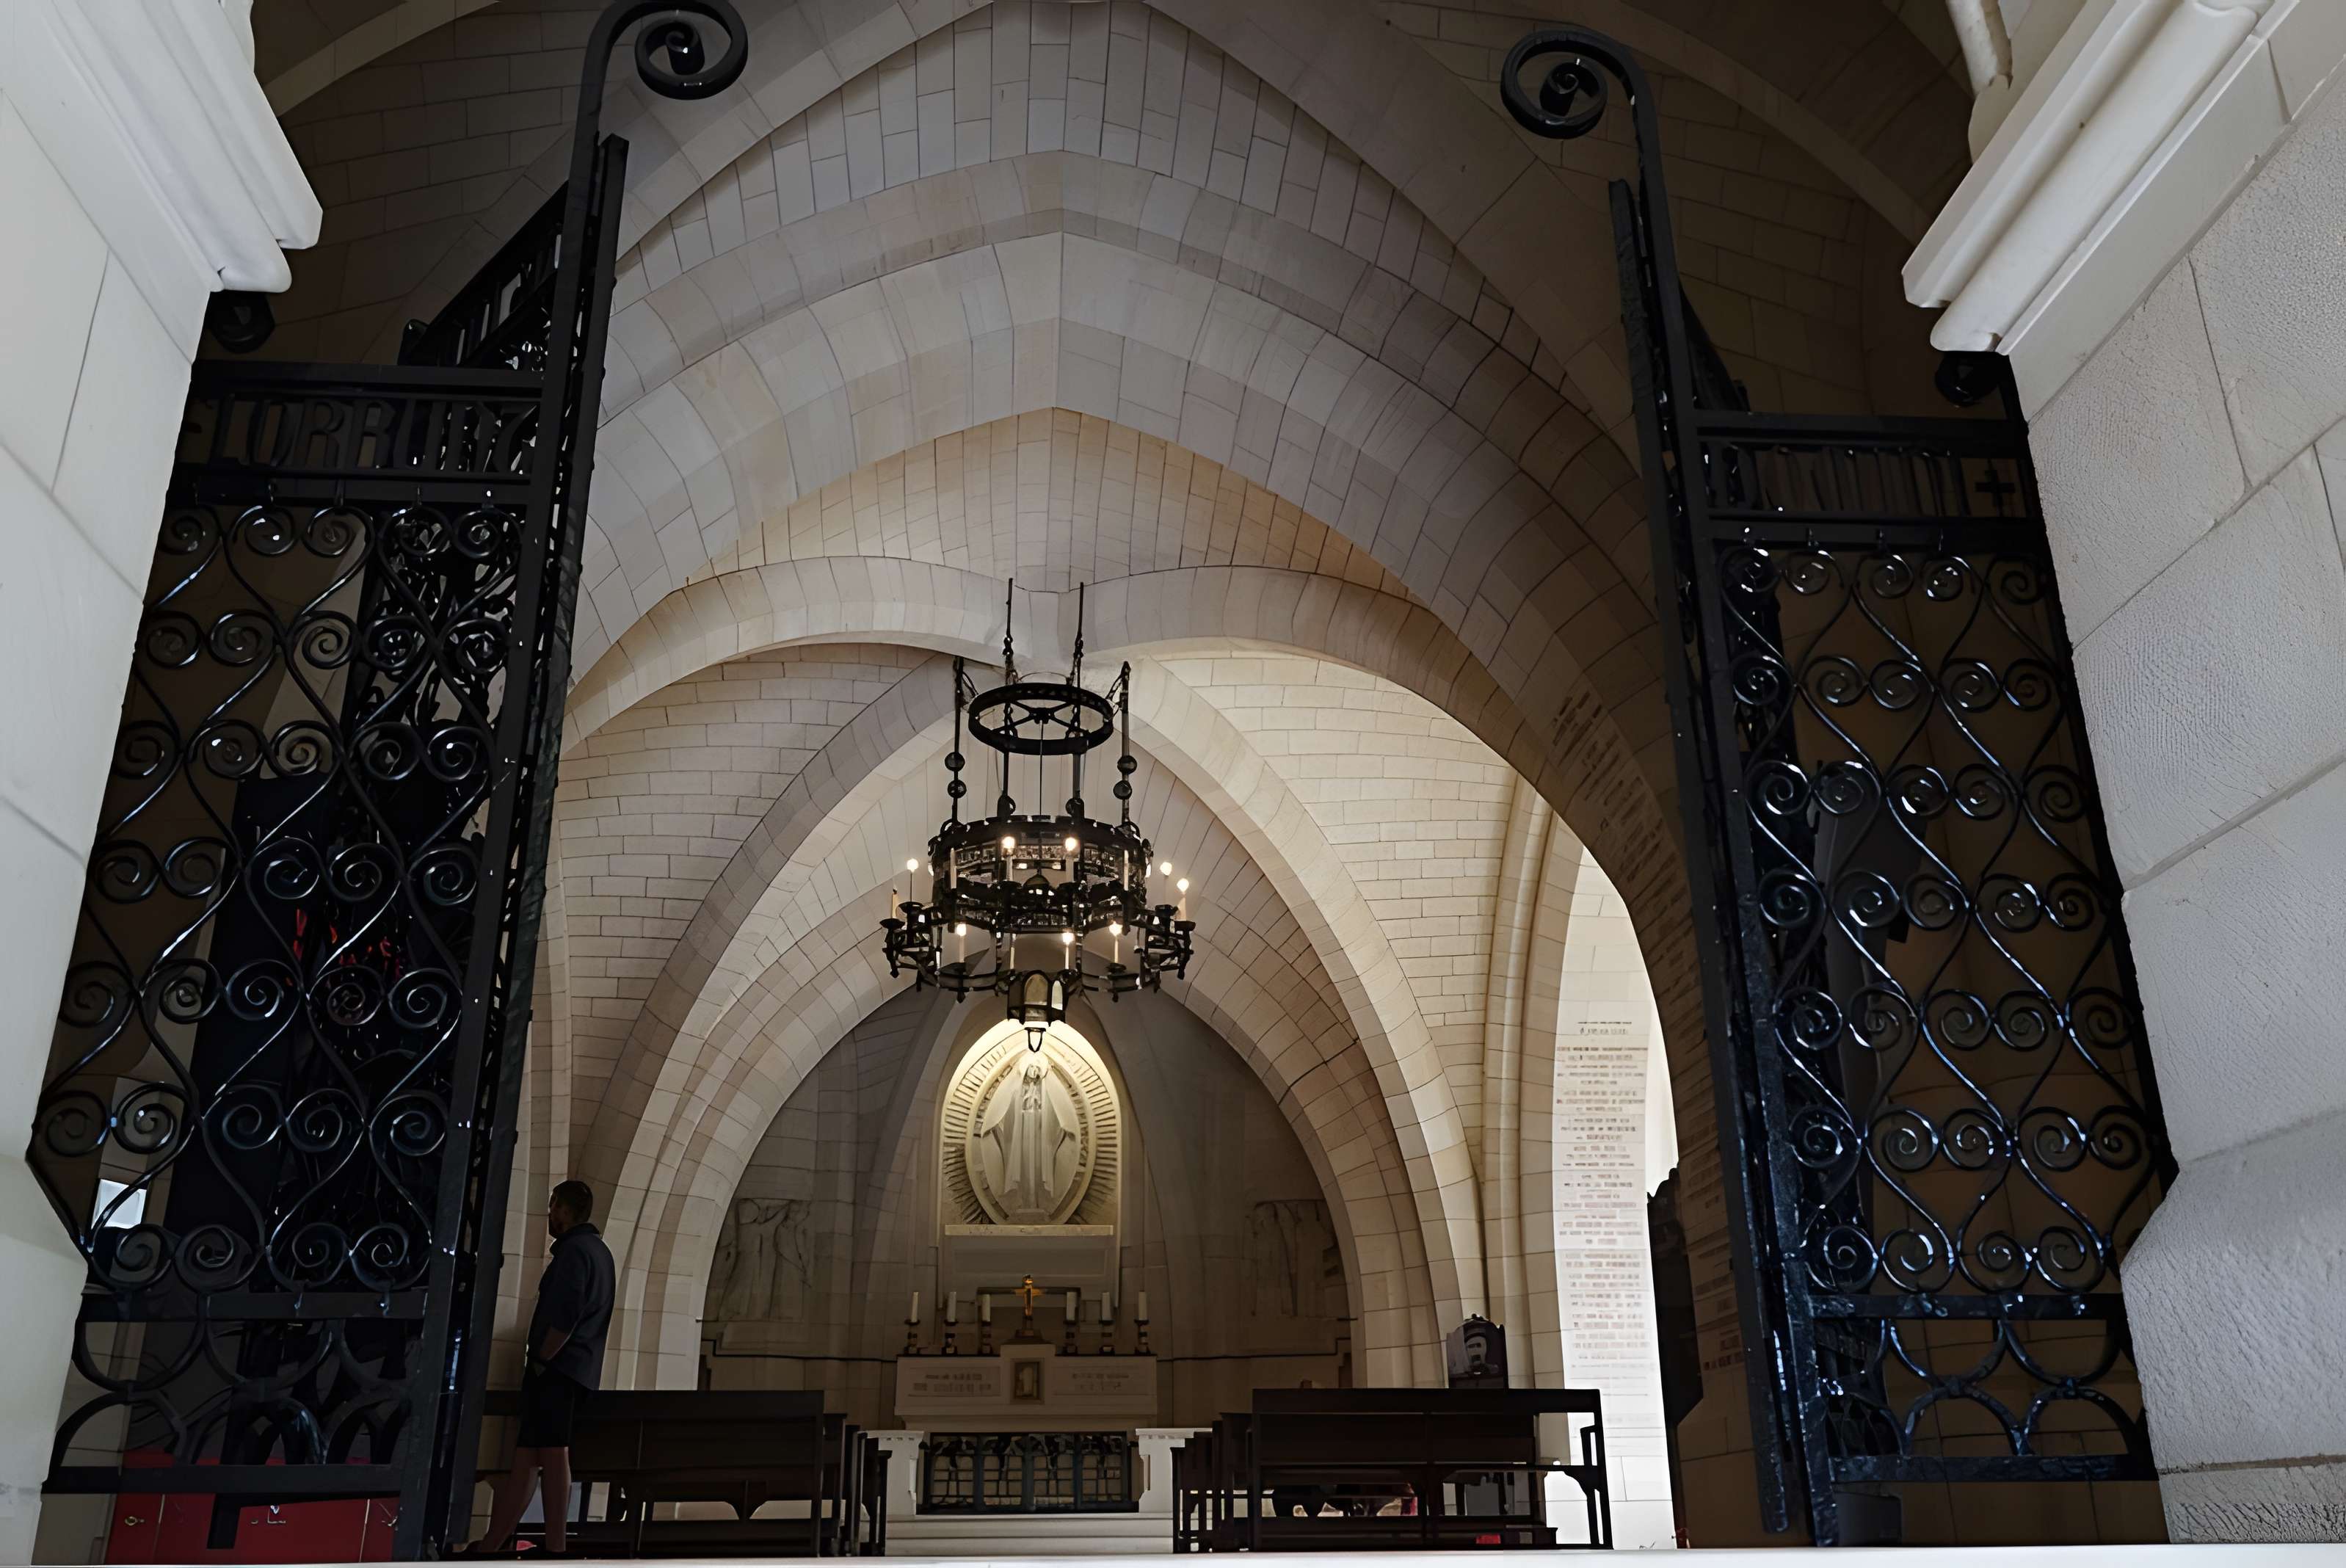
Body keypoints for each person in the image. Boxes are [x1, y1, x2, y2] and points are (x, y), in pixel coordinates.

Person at [460, 1180, 615, 1557]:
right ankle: (493, 1544)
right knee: (526, 1458)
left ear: (566, 1210)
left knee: (551, 1452)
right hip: (570, 1370)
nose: (550, 1213)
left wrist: (544, 1359)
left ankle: (556, 1548)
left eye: (554, 1206)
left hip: (558, 1372)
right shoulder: (598, 1251)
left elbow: (567, 1313)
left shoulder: (576, 1252)